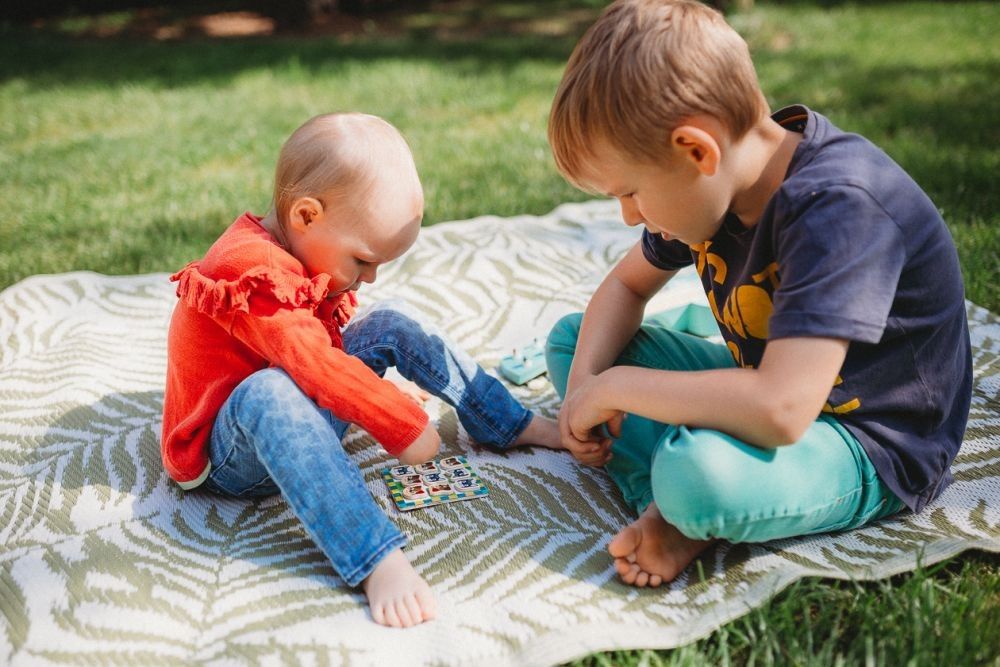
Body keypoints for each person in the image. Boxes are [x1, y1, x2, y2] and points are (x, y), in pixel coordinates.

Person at [544, 0, 972, 588]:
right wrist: (583, 398)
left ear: (697, 150)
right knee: (575, 345)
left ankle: (684, 502)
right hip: (771, 380)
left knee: (698, 474)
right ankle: (664, 508)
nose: (628, 217)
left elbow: (781, 409)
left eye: (631, 193)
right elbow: (625, 284)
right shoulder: (713, 189)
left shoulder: (839, 207)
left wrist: (613, 389)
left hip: (870, 440)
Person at [161, 112, 562, 626]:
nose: (368, 278)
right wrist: (396, 421)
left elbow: (321, 349)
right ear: (307, 216)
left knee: (387, 323)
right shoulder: (249, 271)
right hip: (230, 450)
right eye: (363, 260)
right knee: (269, 392)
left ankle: (508, 421)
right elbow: (315, 365)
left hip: (297, 398)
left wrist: (371, 390)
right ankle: (375, 559)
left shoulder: (303, 247)